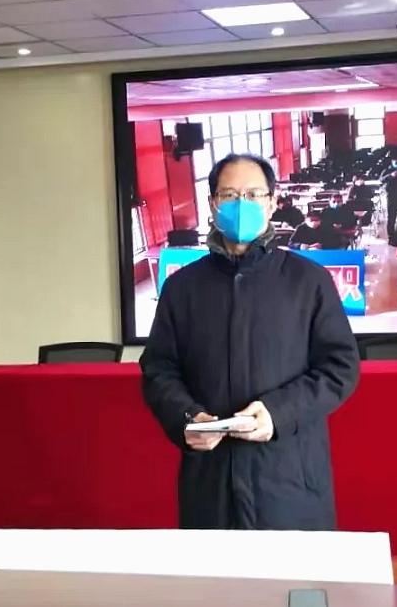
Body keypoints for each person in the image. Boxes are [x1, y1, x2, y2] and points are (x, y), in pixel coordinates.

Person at [140, 153, 360, 530]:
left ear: (272, 203)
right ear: (212, 204)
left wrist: (279, 413)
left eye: (254, 194)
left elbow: (340, 367)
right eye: (229, 195)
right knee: (215, 569)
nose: (242, 204)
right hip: (211, 483)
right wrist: (186, 417)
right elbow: (159, 369)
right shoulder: (182, 288)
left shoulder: (308, 281)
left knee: (294, 569)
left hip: (290, 477)